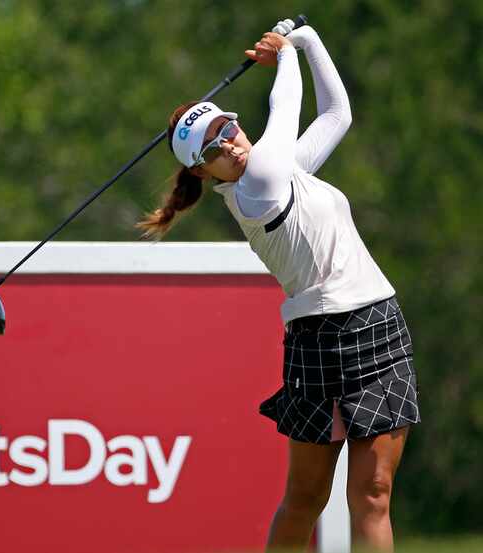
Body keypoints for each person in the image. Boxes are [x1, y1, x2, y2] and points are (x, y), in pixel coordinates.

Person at [136, 20, 421, 552]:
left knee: (374, 492)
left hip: (378, 322)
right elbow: (285, 104)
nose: (230, 144)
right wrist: (286, 52)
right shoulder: (257, 188)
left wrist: (310, 41)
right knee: (305, 500)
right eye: (213, 147)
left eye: (227, 129)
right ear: (202, 172)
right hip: (316, 341)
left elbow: (339, 114)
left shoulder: (283, 169)